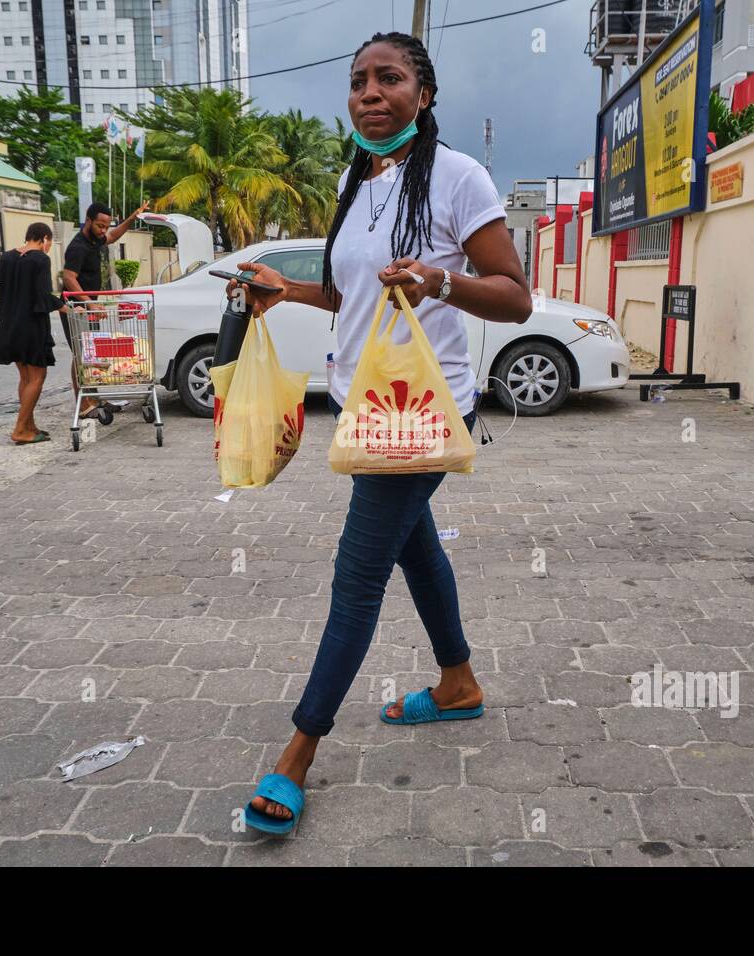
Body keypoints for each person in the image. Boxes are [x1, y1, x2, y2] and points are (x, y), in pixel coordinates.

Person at [228, 31, 532, 834]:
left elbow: (515, 297)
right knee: (415, 549)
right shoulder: (355, 179)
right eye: (358, 79)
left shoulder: (459, 177)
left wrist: (439, 278)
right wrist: (283, 290)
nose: (370, 91)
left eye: (389, 78)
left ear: (422, 94)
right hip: (368, 406)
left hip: (424, 409)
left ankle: (297, 753)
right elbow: (351, 297)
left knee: (357, 576)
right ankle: (458, 683)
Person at [0, 222, 77, 444]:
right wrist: (70, 309)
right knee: (38, 377)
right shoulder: (40, 259)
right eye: (49, 243)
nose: (48, 247)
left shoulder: (7, 257)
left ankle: (29, 425)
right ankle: (19, 429)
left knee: (26, 377)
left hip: (7, 325)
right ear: (44, 238)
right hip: (30, 327)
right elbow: (43, 296)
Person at [61, 200, 150, 417]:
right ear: (89, 220)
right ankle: (83, 406)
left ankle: (94, 399)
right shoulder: (77, 247)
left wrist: (131, 218)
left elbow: (113, 237)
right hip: (76, 307)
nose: (104, 230)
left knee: (92, 354)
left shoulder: (97, 239)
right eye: (100, 225)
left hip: (91, 307)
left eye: (106, 225)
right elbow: (68, 277)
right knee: (80, 354)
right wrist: (89, 302)